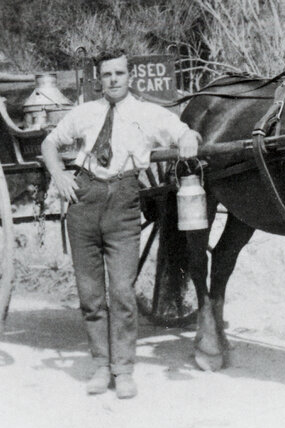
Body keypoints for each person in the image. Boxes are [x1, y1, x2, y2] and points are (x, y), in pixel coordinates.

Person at [41, 49, 200, 399]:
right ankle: (101, 366)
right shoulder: (84, 113)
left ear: (130, 77)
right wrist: (59, 175)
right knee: (91, 294)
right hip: (83, 202)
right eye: (107, 74)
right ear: (100, 79)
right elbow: (49, 142)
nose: (113, 80)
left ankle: (124, 370)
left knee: (123, 293)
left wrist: (188, 137)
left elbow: (183, 132)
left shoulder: (147, 113)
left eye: (119, 74)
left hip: (124, 204)